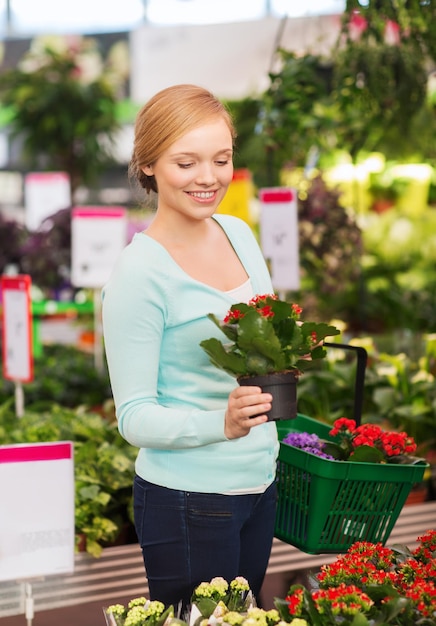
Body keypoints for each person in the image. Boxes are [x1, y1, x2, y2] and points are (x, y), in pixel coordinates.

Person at [102, 84, 279, 611]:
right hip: (187, 501)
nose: (209, 178)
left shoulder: (238, 234)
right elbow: (134, 418)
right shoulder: (139, 273)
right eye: (187, 162)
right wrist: (217, 425)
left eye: (221, 159)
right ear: (149, 164)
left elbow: (265, 338)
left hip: (260, 484)